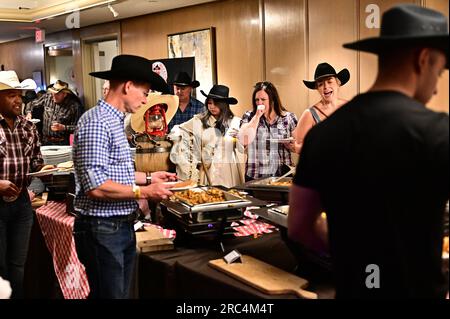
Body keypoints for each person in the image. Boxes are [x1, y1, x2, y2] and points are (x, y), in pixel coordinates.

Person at [288, 4, 449, 298]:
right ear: (423, 59)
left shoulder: (323, 134)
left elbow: (299, 225)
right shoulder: (439, 131)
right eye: (439, 72)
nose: (436, 88)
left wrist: (354, 252)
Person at [72, 54, 177, 299]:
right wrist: (145, 192)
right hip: (102, 228)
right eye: (145, 91)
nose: (146, 98)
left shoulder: (114, 121)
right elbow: (96, 186)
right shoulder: (97, 122)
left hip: (117, 226)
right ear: (128, 86)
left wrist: (151, 178)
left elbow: (117, 172)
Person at [0, 71, 44, 298]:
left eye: (19, 95)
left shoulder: (28, 127)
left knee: (18, 265)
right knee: (1, 267)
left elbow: (37, 166)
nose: (18, 100)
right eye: (10, 95)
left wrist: (42, 176)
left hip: (22, 204)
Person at [170, 84, 245, 187]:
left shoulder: (236, 122)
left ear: (224, 104)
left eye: (216, 103)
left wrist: (240, 138)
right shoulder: (199, 121)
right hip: (208, 170)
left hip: (229, 170)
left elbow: (242, 149)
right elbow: (178, 129)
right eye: (209, 103)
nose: (212, 107)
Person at [238, 81, 298, 181]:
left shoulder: (288, 118)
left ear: (272, 99)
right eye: (257, 100)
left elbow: (300, 145)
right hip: (255, 175)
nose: (259, 103)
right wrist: (257, 116)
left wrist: (293, 146)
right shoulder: (249, 116)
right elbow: (244, 140)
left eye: (263, 99)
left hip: (282, 176)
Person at [292, 63, 350, 154]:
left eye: (329, 81)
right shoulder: (310, 114)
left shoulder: (350, 107)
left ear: (338, 83)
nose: (326, 87)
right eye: (320, 84)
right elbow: (298, 147)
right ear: (317, 88)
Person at [25, 80, 82, 145]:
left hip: (62, 142)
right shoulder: (47, 97)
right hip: (45, 141)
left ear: (64, 94)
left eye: (57, 94)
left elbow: (78, 128)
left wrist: (63, 127)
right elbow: (31, 104)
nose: (53, 96)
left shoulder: (74, 106)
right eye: (52, 93)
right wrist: (29, 113)